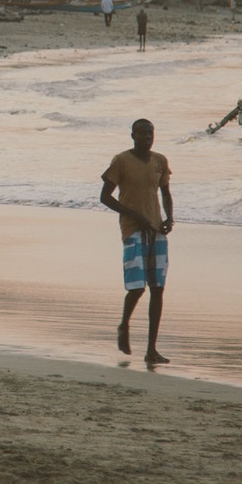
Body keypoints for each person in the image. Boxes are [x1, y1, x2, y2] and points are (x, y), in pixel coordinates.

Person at [100, 118, 175, 364]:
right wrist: (133, 214)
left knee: (158, 288)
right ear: (132, 135)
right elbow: (105, 197)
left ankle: (151, 349)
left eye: (150, 134)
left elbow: (165, 193)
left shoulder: (159, 161)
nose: (147, 138)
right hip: (133, 230)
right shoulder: (121, 160)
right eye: (142, 134)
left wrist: (169, 218)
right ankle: (124, 325)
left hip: (156, 231)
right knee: (137, 287)